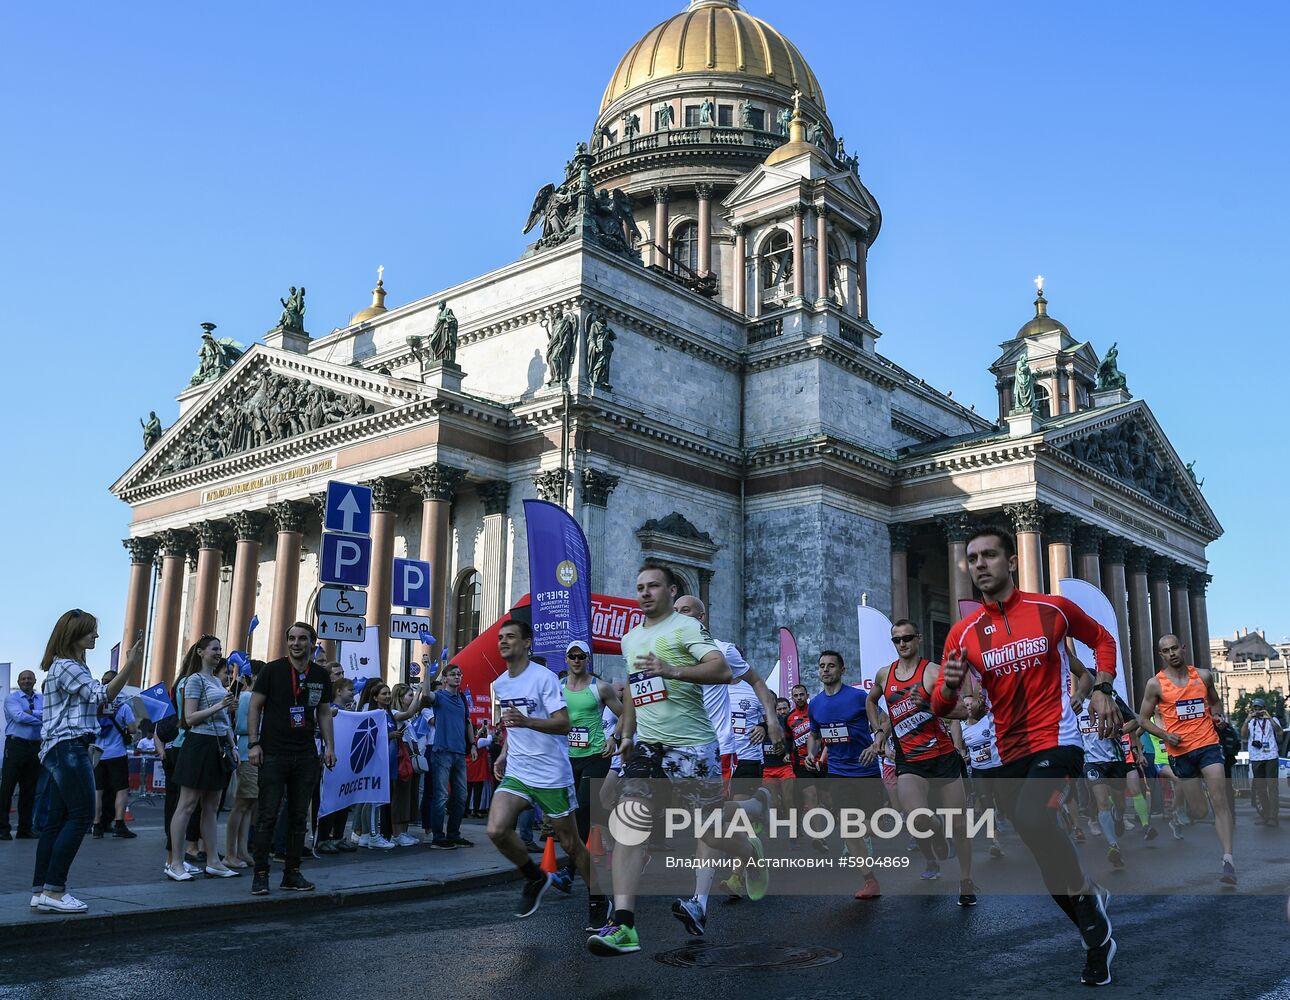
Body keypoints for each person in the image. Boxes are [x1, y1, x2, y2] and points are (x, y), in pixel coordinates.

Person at [935, 524, 1121, 987]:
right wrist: (952, 684)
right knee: (1041, 849)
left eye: (989, 556)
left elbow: (1103, 640)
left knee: (1037, 821)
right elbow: (939, 705)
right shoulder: (962, 634)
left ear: (1011, 560)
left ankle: (1084, 893)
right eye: (972, 558)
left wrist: (1101, 687)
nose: (979, 565)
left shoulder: (1051, 610)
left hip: (1057, 741)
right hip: (1004, 755)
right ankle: (1096, 939)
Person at [588, 564, 767, 957]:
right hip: (648, 747)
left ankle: (749, 854)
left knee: (707, 832)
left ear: (670, 591)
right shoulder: (631, 638)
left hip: (692, 745)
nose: (645, 593)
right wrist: (627, 734)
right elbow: (636, 688)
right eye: (640, 587)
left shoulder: (688, 629)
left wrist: (674, 670)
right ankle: (624, 925)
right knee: (628, 825)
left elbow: (721, 670)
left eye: (654, 586)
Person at [32, 611, 143, 914]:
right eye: (90, 632)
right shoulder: (69, 666)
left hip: (58, 748)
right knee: (81, 816)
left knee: (56, 820)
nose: (95, 636)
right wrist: (131, 662)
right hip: (69, 747)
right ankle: (54, 890)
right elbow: (102, 695)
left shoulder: (64, 666)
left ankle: (42, 890)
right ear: (74, 635)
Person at [868, 619, 976, 904]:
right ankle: (937, 838)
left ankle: (966, 881)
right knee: (917, 818)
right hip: (909, 761)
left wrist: (929, 705)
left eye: (907, 638)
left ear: (918, 639)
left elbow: (962, 713)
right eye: (896, 640)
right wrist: (879, 731)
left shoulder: (932, 673)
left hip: (942, 758)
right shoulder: (883, 675)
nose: (902, 644)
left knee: (960, 826)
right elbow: (874, 703)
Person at [487, 619, 590, 919]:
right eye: (501, 637)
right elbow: (513, 725)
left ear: (527, 643)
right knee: (495, 829)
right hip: (519, 770)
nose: (504, 642)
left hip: (551, 773)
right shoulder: (500, 683)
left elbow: (564, 724)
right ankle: (535, 877)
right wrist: (504, 754)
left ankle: (599, 899)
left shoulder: (543, 678)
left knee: (571, 845)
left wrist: (527, 722)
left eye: (511, 637)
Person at [1136, 634, 1236, 885]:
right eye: (1166, 651)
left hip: (1208, 745)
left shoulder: (1203, 676)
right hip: (1180, 753)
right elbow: (1143, 719)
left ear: (1183, 648)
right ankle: (1183, 809)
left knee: (1220, 800)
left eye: (1174, 648)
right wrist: (1164, 733)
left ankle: (1228, 860)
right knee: (1200, 810)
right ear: (1161, 655)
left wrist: (1219, 716)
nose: (1171, 654)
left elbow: (1215, 703)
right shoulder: (1155, 685)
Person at [247, 622, 336, 895]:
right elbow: (255, 706)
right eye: (292, 639)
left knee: (299, 818)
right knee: (267, 816)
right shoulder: (273, 670)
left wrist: (330, 747)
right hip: (273, 752)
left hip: (306, 754)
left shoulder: (320, 675)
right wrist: (253, 743)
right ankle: (261, 875)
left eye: (302, 639)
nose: (296, 643)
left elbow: (323, 712)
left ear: (312, 642)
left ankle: (292, 873)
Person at [806, 649, 885, 901]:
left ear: (842, 670)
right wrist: (811, 754)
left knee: (874, 825)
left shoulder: (858, 697)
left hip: (866, 770)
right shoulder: (816, 704)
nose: (826, 669)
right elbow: (815, 734)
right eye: (822, 666)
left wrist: (876, 743)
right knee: (848, 827)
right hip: (838, 771)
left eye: (831, 665)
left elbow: (885, 719)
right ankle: (870, 881)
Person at [559, 638, 623, 925]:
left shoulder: (601, 687)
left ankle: (569, 872)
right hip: (567, 759)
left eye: (581, 656)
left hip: (596, 756)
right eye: (572, 656)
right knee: (569, 817)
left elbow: (626, 714)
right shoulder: (558, 689)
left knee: (584, 809)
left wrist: (614, 736)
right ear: (566, 659)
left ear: (587, 659)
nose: (576, 660)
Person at [166, 639, 239, 880]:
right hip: (198, 744)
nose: (219, 653)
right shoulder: (194, 680)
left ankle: (213, 861)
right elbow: (189, 718)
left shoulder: (216, 680)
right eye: (214, 649)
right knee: (187, 805)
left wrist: (232, 743)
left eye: (220, 649)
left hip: (217, 745)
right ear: (200, 652)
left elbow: (224, 720)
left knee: (212, 806)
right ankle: (175, 862)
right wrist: (220, 705)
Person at [426, 662, 476, 850]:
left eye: (460, 674)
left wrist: (473, 745)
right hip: (442, 753)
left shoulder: (462, 699)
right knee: (441, 796)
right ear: (445, 679)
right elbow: (424, 695)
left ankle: (454, 834)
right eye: (454, 674)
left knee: (461, 796)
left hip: (459, 753)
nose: (457, 677)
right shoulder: (439, 697)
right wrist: (425, 672)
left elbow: (467, 723)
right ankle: (438, 837)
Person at [91, 670, 137, 839]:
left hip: (97, 754)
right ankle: (119, 823)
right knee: (121, 789)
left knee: (98, 791)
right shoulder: (123, 706)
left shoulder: (94, 706)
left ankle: (96, 825)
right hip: (117, 753)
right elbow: (132, 729)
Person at [225, 660, 262, 868]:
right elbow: (242, 725)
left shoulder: (250, 696)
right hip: (248, 753)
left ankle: (241, 850)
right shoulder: (248, 696)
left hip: (252, 753)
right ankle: (231, 852)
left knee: (248, 805)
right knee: (242, 804)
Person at [1, 669, 42, 840]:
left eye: (29, 678)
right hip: (16, 746)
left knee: (29, 791)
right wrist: (41, 717)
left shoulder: (42, 699)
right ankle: (3, 829)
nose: (26, 681)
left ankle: (25, 829)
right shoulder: (12, 698)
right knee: (7, 789)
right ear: (18, 682)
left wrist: (32, 713)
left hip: (35, 748)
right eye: (23, 679)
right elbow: (19, 717)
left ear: (34, 681)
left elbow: (50, 714)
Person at [1243, 699, 1283, 826]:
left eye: (1259, 708)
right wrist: (1246, 720)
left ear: (1264, 708)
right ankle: (1266, 814)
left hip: (1271, 756)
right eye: (1255, 708)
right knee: (1260, 788)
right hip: (1256, 757)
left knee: (1272, 787)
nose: (1257, 711)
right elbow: (1243, 735)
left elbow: (1280, 733)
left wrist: (1269, 718)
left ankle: (1273, 817)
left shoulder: (1272, 720)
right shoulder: (1251, 722)